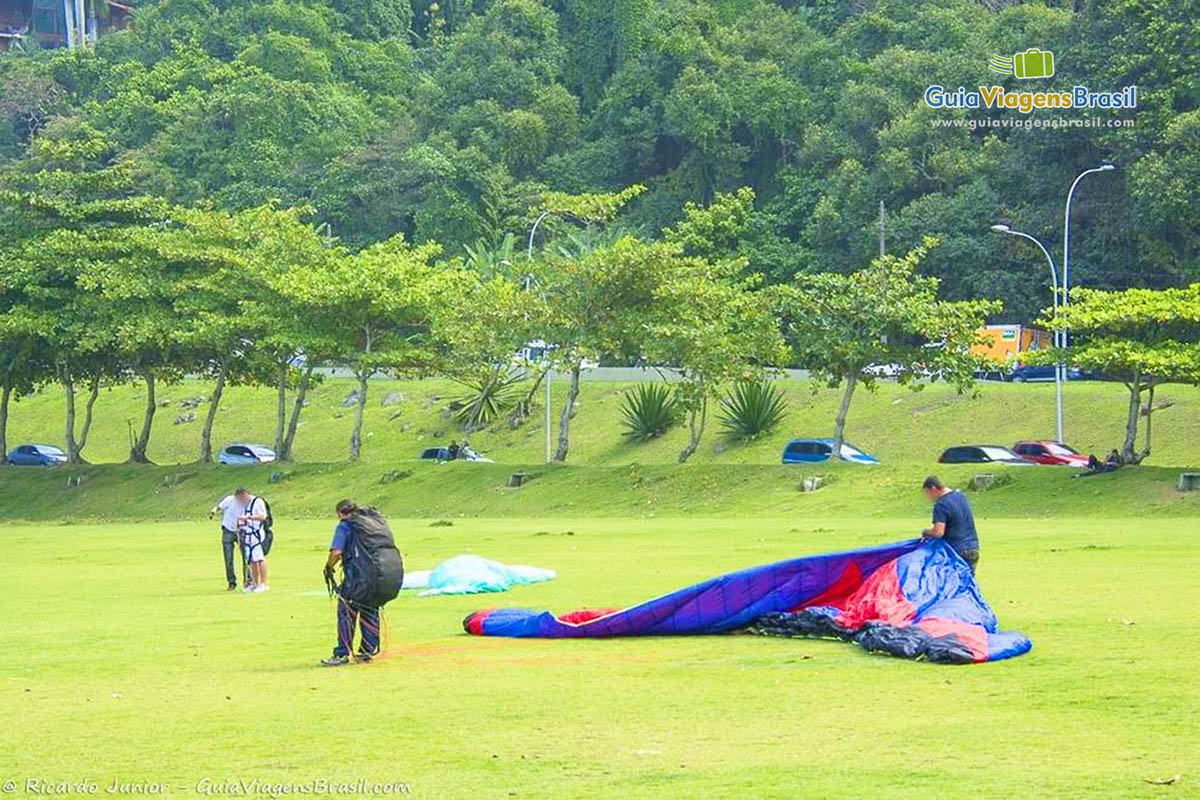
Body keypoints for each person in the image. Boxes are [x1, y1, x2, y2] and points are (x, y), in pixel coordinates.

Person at [322, 499, 382, 666]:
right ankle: (367, 652)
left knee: (346, 613)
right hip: (376, 577)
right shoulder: (371, 524)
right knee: (369, 611)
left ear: (340, 513)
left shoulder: (345, 526)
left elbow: (337, 551)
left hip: (355, 579)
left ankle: (342, 653)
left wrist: (328, 567)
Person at [920, 475, 980, 574]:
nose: (929, 497)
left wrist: (925, 532)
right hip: (973, 547)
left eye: (927, 493)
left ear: (933, 488)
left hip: (956, 550)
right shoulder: (961, 496)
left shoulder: (941, 505)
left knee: (952, 585)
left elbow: (938, 532)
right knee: (967, 584)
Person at [209, 491, 249, 591]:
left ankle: (248, 581)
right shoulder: (229, 500)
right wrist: (214, 511)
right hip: (228, 530)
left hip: (242, 530)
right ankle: (231, 582)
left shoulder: (248, 502)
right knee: (228, 558)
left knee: (247, 557)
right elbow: (219, 507)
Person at [235, 487, 270, 593]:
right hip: (248, 535)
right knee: (252, 560)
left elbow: (263, 516)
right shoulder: (245, 505)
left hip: (257, 535)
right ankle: (255, 583)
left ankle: (263, 583)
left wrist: (249, 517)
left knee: (259, 559)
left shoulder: (258, 501)